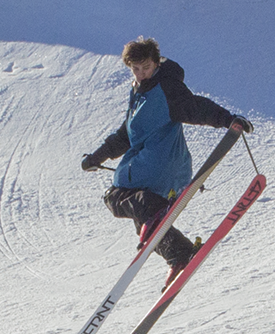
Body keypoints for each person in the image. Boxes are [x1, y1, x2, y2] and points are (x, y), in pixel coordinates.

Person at [79, 38, 251, 276]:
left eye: (146, 67)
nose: (142, 74)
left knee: (114, 197)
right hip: (167, 169)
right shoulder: (139, 92)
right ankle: (179, 255)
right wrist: (96, 157)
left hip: (157, 165)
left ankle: (158, 217)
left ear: (157, 63)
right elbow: (126, 134)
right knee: (145, 222)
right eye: (136, 69)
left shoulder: (165, 89)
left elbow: (194, 107)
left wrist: (228, 119)